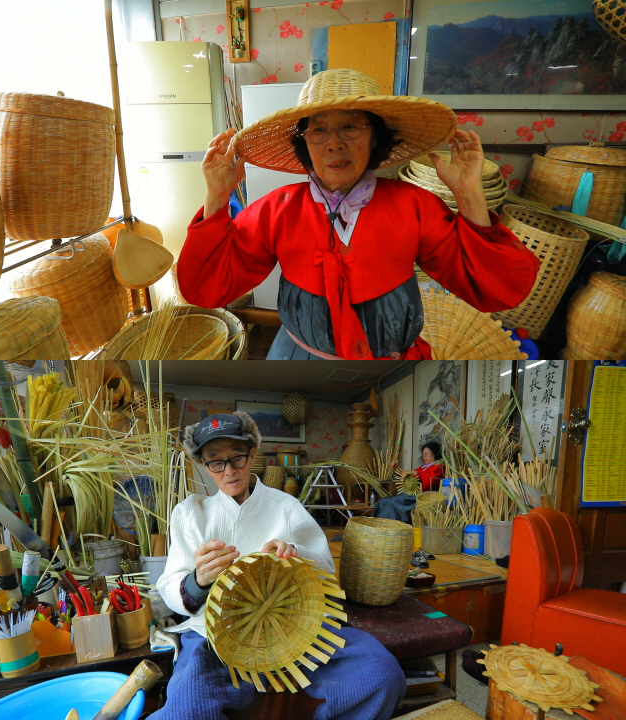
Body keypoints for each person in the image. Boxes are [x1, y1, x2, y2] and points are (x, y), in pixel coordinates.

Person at [177, 68, 540, 360]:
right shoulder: (276, 208)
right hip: (297, 360)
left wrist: (468, 193)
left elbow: (497, 287)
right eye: (318, 129)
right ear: (304, 143)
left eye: (350, 126)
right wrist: (217, 195)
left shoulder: (414, 205)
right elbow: (207, 286)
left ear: (375, 138)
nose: (334, 143)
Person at [152, 412, 406, 720]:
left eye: (238, 459)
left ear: (254, 454)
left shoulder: (286, 507)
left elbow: (325, 571)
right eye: (216, 462)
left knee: (381, 675)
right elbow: (169, 585)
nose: (229, 471)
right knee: (185, 711)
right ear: (206, 466)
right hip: (213, 634)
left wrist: (296, 555)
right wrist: (198, 581)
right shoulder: (191, 512)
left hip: (293, 626)